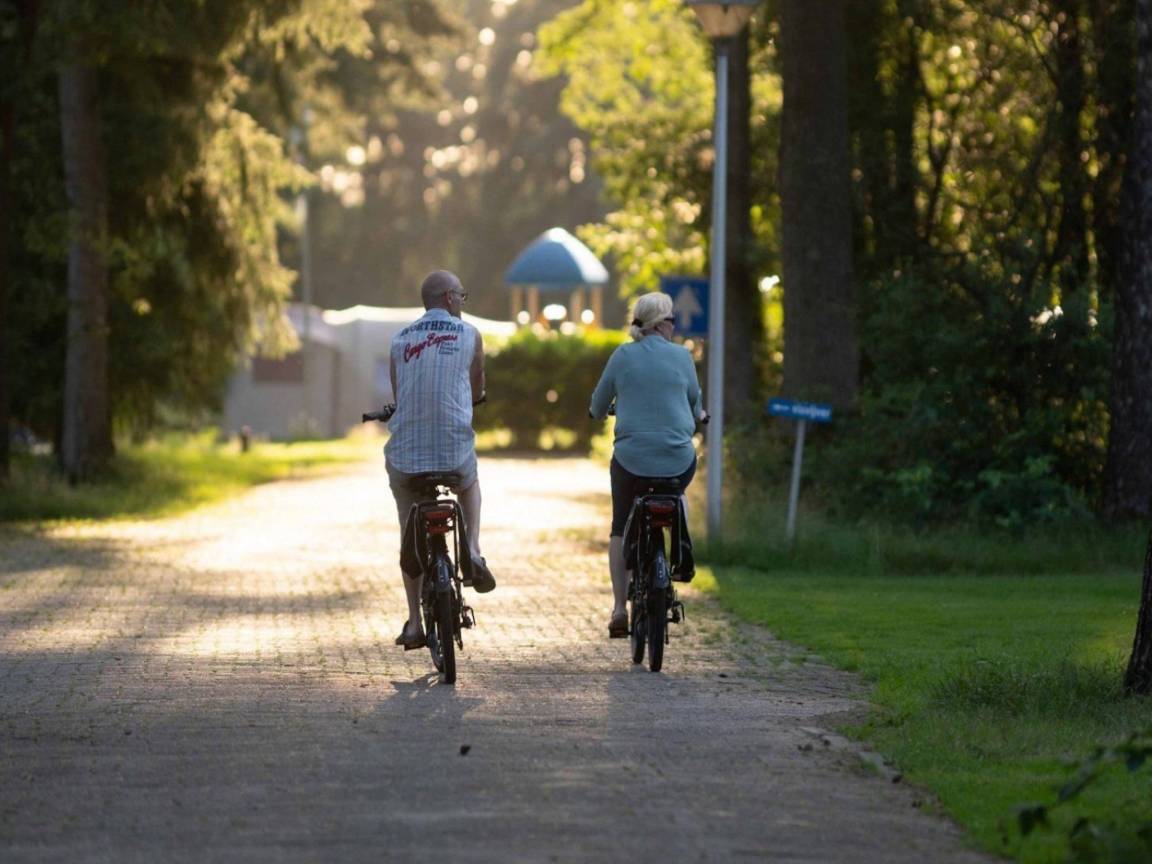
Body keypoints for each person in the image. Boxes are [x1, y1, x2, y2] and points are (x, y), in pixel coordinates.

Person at [386, 270, 496, 650]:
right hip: (453, 451)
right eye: (461, 295)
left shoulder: (400, 340)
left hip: (407, 457)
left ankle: (415, 623)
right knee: (469, 482)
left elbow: (399, 396)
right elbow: (477, 389)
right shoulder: (470, 335)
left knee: (408, 527)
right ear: (449, 297)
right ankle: (474, 550)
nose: (463, 301)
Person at [588, 291, 706, 639]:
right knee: (678, 492)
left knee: (619, 526)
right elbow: (694, 403)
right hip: (677, 460)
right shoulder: (682, 356)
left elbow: (598, 405)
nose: (674, 326)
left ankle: (618, 609)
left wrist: (600, 412)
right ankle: (681, 549)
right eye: (672, 320)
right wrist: (699, 415)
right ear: (662, 323)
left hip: (631, 462)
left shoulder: (622, 355)